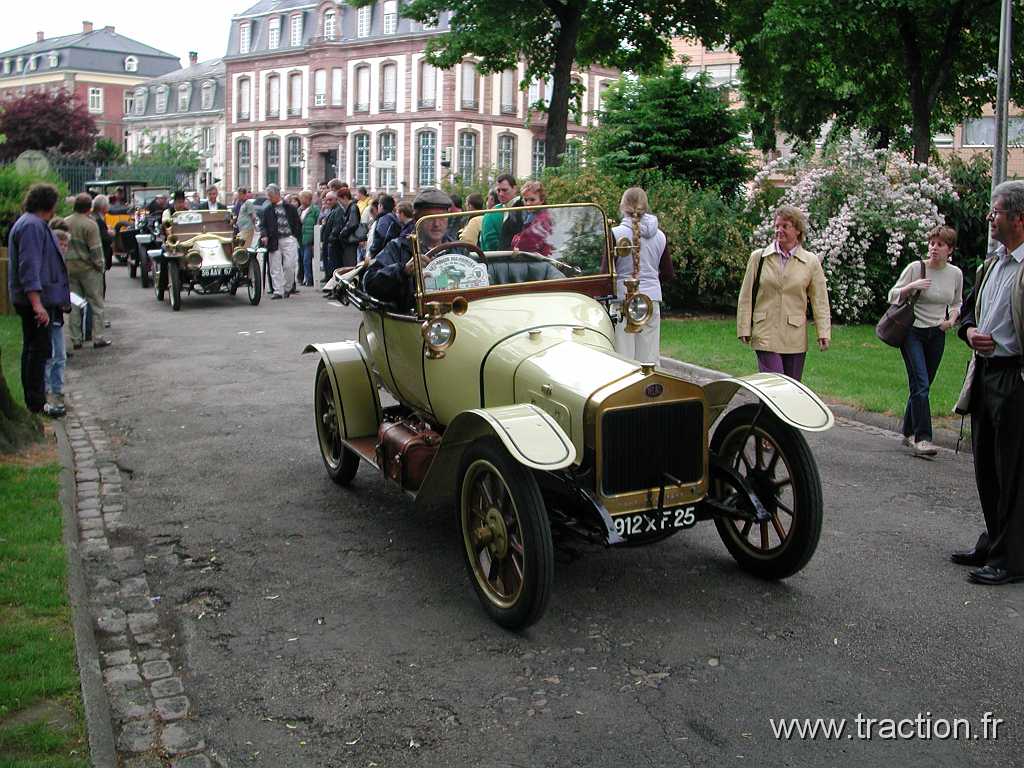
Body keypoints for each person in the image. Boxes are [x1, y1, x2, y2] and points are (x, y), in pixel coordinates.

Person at [950, 180, 1024, 586]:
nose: (989, 219)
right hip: (985, 373)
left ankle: (1011, 559)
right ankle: (994, 540)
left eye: (995, 212)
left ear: (1018, 218)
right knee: (986, 469)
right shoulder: (993, 263)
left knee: (1012, 470)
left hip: (1015, 377)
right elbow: (966, 314)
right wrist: (969, 332)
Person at [887, 226, 963, 457]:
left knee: (922, 386)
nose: (934, 248)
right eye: (932, 243)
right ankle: (923, 438)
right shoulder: (916, 268)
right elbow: (892, 295)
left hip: (937, 333)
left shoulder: (955, 274)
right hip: (913, 332)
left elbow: (957, 302)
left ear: (950, 250)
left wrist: (951, 320)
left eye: (940, 245)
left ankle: (908, 431)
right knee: (920, 384)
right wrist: (912, 287)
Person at [736, 205, 831, 381]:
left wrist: (823, 332)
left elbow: (820, 300)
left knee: (792, 390)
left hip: (794, 336)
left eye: (785, 226)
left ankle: (763, 410)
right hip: (765, 332)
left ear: (797, 230)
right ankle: (765, 409)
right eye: (777, 226)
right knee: (774, 385)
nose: (779, 230)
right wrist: (743, 327)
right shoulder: (759, 257)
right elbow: (746, 295)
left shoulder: (811, 262)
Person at [7, 183, 71, 416]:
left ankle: (35, 400)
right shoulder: (32, 226)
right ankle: (36, 402)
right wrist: (37, 303)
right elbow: (29, 266)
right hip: (34, 301)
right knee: (38, 351)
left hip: (34, 299)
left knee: (34, 349)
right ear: (49, 205)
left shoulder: (30, 223)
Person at [609, 187, 671, 365]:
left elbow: (606, 273)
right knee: (650, 359)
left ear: (622, 207)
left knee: (623, 358)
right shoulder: (660, 236)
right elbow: (667, 273)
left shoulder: (615, 234)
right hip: (651, 301)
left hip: (623, 301)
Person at [364, 188, 454, 311]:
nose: (437, 224)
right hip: (411, 319)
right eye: (430, 218)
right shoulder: (398, 247)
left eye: (442, 217)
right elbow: (370, 283)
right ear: (417, 220)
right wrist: (403, 270)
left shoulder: (456, 248)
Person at [66, 193, 111, 350]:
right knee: (96, 303)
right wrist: (100, 266)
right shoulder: (90, 224)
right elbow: (96, 249)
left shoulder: (66, 222)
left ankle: (76, 339)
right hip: (88, 269)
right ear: (89, 208)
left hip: (70, 268)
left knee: (74, 304)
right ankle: (98, 337)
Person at [46, 222, 72, 417]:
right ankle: (48, 391)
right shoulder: (51, 265)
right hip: (50, 312)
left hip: (57, 313)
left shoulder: (60, 263)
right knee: (50, 354)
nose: (63, 248)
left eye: (66, 245)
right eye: (60, 244)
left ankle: (58, 389)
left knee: (60, 355)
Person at [259, 183, 302, 300]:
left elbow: (297, 223)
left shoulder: (290, 208)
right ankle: (278, 290)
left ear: (277, 195)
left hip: (289, 238)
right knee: (275, 266)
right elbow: (263, 225)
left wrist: (295, 236)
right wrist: (264, 235)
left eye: (270, 196)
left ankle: (287, 288)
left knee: (290, 265)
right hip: (274, 239)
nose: (269, 198)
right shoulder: (267, 210)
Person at [480, 174, 524, 250]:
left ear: (515, 189)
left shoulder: (527, 207)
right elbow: (490, 243)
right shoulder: (492, 213)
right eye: (498, 190)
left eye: (504, 190)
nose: (500, 194)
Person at [511, 181, 554, 257]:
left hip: (540, 261)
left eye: (532, 200)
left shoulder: (543, 219)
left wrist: (516, 239)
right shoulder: (533, 216)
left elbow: (523, 246)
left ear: (542, 200)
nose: (528, 203)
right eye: (526, 200)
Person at [329, 186, 361, 269]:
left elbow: (352, 223)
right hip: (349, 241)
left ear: (345, 197)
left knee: (349, 266)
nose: (340, 203)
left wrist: (342, 233)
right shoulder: (351, 207)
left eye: (340, 201)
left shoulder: (353, 207)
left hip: (350, 241)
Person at [298, 189, 320, 287]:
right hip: (300, 238)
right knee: (301, 259)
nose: (301, 200)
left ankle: (309, 279)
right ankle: (302, 278)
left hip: (310, 238)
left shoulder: (314, 209)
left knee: (307, 260)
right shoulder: (299, 209)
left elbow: (317, 223)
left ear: (308, 199)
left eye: (303, 198)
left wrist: (316, 240)